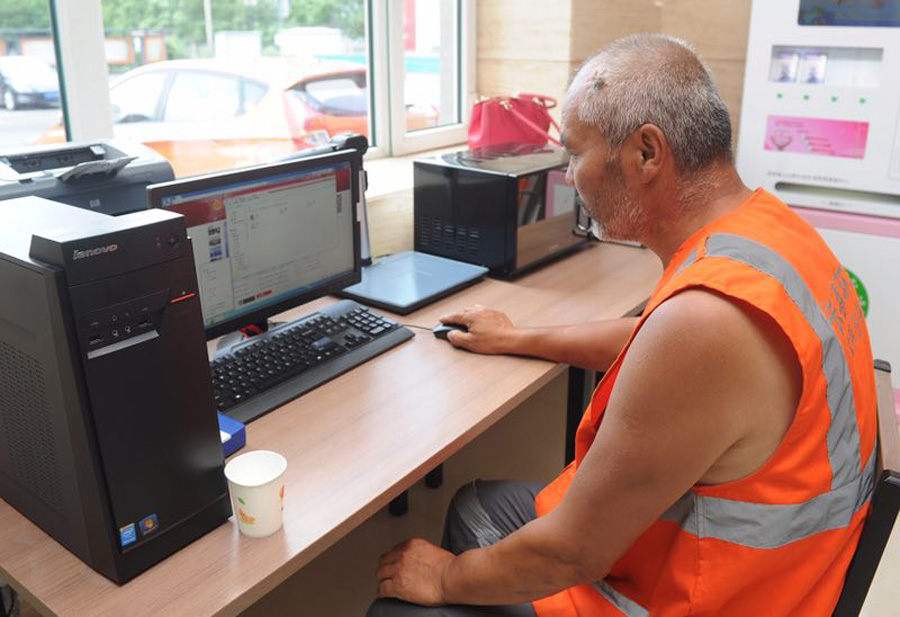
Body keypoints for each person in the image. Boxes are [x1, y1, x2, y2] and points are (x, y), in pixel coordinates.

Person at [369, 33, 877, 616]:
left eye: (575, 152)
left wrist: (445, 578)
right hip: (792, 573)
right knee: (475, 506)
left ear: (646, 154)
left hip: (709, 599)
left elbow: (571, 555)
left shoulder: (706, 324)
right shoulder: (770, 234)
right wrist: (516, 338)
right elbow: (654, 344)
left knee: (402, 606)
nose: (570, 175)